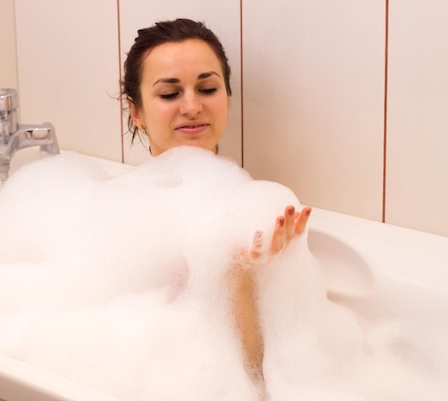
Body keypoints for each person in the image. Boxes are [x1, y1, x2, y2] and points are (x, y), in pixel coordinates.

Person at [121, 18, 311, 382]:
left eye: (207, 88)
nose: (192, 107)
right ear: (137, 111)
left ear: (226, 97)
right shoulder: (126, 219)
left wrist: (256, 271)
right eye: (169, 94)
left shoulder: (258, 211)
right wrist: (232, 271)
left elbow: (266, 383)